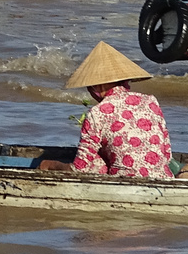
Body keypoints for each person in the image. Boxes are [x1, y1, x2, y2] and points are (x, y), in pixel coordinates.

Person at [62, 41, 174, 179]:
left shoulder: (97, 113)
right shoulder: (151, 101)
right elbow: (167, 155)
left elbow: (80, 168)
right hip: (164, 177)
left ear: (97, 86)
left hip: (125, 181)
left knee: (95, 162)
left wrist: (49, 165)